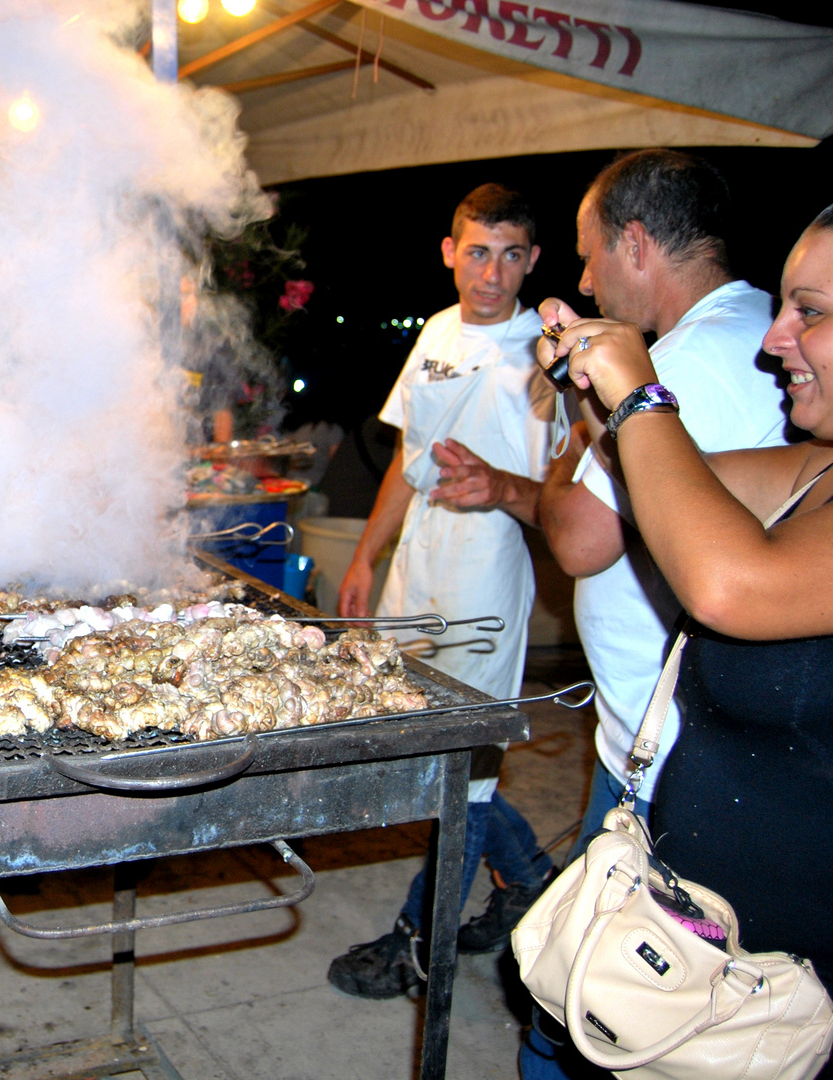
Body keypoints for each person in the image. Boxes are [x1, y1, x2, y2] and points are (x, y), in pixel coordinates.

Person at [546, 205, 833, 1077]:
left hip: (800, 982)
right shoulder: (816, 470)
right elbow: (661, 493)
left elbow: (724, 583)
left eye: (810, 311)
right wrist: (585, 395)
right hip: (708, 942)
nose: (773, 338)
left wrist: (640, 390)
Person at [327, 185, 556, 999]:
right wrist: (364, 556)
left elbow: (569, 480)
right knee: (417, 746)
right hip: (416, 555)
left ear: (530, 259)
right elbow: (404, 454)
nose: (490, 273)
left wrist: (505, 486)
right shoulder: (433, 331)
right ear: (449, 251)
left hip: (484, 563)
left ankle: (417, 944)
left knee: (463, 768)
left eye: (509, 254)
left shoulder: (546, 352)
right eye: (476, 251)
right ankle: (530, 879)